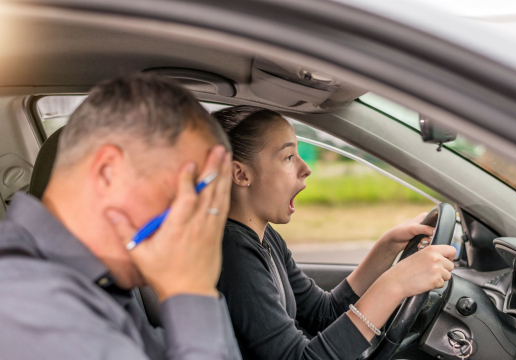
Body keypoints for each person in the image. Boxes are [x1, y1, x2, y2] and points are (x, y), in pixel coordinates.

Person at [0, 74, 241, 360]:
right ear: (108, 172)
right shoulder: (26, 301)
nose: (196, 222)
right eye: (187, 195)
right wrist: (191, 291)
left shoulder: (98, 285)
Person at [213, 105, 456, 360]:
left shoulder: (264, 237)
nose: (306, 167)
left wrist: (389, 245)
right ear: (241, 174)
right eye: (288, 157)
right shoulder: (232, 252)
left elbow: (323, 313)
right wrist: (394, 285)